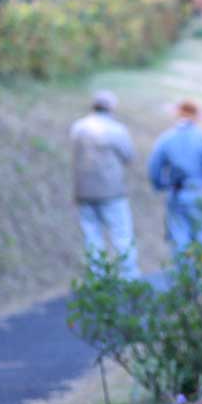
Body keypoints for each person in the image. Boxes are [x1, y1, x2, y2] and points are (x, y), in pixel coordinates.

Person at [147, 100, 202, 275]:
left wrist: (161, 185)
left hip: (176, 194)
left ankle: (185, 284)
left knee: (179, 239)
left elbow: (154, 169)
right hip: (200, 193)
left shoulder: (166, 139)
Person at [71, 91, 140, 279]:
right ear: (111, 108)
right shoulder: (116, 129)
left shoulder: (78, 127)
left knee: (92, 237)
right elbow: (129, 156)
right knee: (121, 236)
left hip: (83, 191)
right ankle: (129, 277)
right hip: (111, 192)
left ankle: (97, 276)